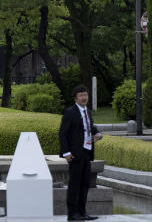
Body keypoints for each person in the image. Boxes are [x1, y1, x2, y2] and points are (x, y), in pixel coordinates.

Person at [59, 85, 102, 221]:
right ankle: (73, 214)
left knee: (85, 184)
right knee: (74, 185)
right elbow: (62, 134)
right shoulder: (69, 112)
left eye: (86, 95)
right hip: (75, 153)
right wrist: (66, 153)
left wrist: (98, 134)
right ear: (76, 98)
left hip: (87, 152)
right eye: (81, 95)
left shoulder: (88, 112)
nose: (84, 98)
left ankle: (83, 212)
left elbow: (90, 127)